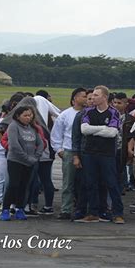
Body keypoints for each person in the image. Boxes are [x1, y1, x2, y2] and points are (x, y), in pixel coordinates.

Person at [80, 86, 125, 224]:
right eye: (92, 95)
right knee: (91, 183)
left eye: (96, 95)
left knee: (111, 183)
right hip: (90, 153)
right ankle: (93, 212)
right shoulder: (87, 111)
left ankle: (118, 213)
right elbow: (84, 130)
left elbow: (112, 132)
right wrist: (102, 128)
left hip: (107, 154)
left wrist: (94, 130)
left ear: (104, 97)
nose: (92, 97)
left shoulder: (113, 113)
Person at [0, 106, 44, 221]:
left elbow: (41, 143)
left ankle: (20, 208)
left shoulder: (33, 128)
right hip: (16, 161)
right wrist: (26, 158)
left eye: (30, 115)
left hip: (30, 162)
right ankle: (6, 209)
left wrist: (35, 157)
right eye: (25, 115)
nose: (28, 118)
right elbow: (14, 145)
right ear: (18, 116)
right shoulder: (13, 126)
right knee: (13, 185)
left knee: (24, 186)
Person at [51, 88, 87, 220]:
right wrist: (59, 150)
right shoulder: (65, 115)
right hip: (69, 151)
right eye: (83, 96)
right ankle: (66, 209)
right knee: (68, 183)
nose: (86, 99)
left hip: (85, 151)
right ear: (75, 99)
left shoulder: (88, 114)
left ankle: (82, 207)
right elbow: (56, 134)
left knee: (84, 181)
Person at [71, 89, 94, 221]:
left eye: (93, 98)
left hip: (97, 154)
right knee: (81, 183)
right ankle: (80, 208)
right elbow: (76, 138)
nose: (91, 101)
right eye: (88, 98)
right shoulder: (80, 115)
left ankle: (94, 209)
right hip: (83, 154)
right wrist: (76, 156)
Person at [113, 92, 135, 192]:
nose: (116, 105)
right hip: (109, 150)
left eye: (119, 103)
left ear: (126, 104)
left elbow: (133, 136)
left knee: (120, 173)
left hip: (122, 150)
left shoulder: (131, 120)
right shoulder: (109, 116)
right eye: (115, 103)